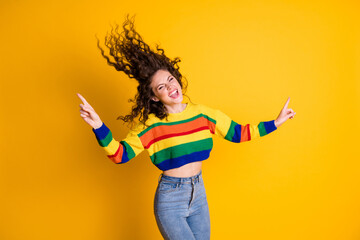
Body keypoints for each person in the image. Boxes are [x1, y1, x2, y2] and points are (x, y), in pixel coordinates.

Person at [77, 14, 296, 240]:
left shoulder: (203, 114)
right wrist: (99, 126)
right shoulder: (151, 127)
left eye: (171, 79)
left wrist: (275, 123)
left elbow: (237, 133)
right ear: (153, 97)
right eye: (161, 87)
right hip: (170, 199)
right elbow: (119, 155)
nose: (170, 86)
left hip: (198, 193)